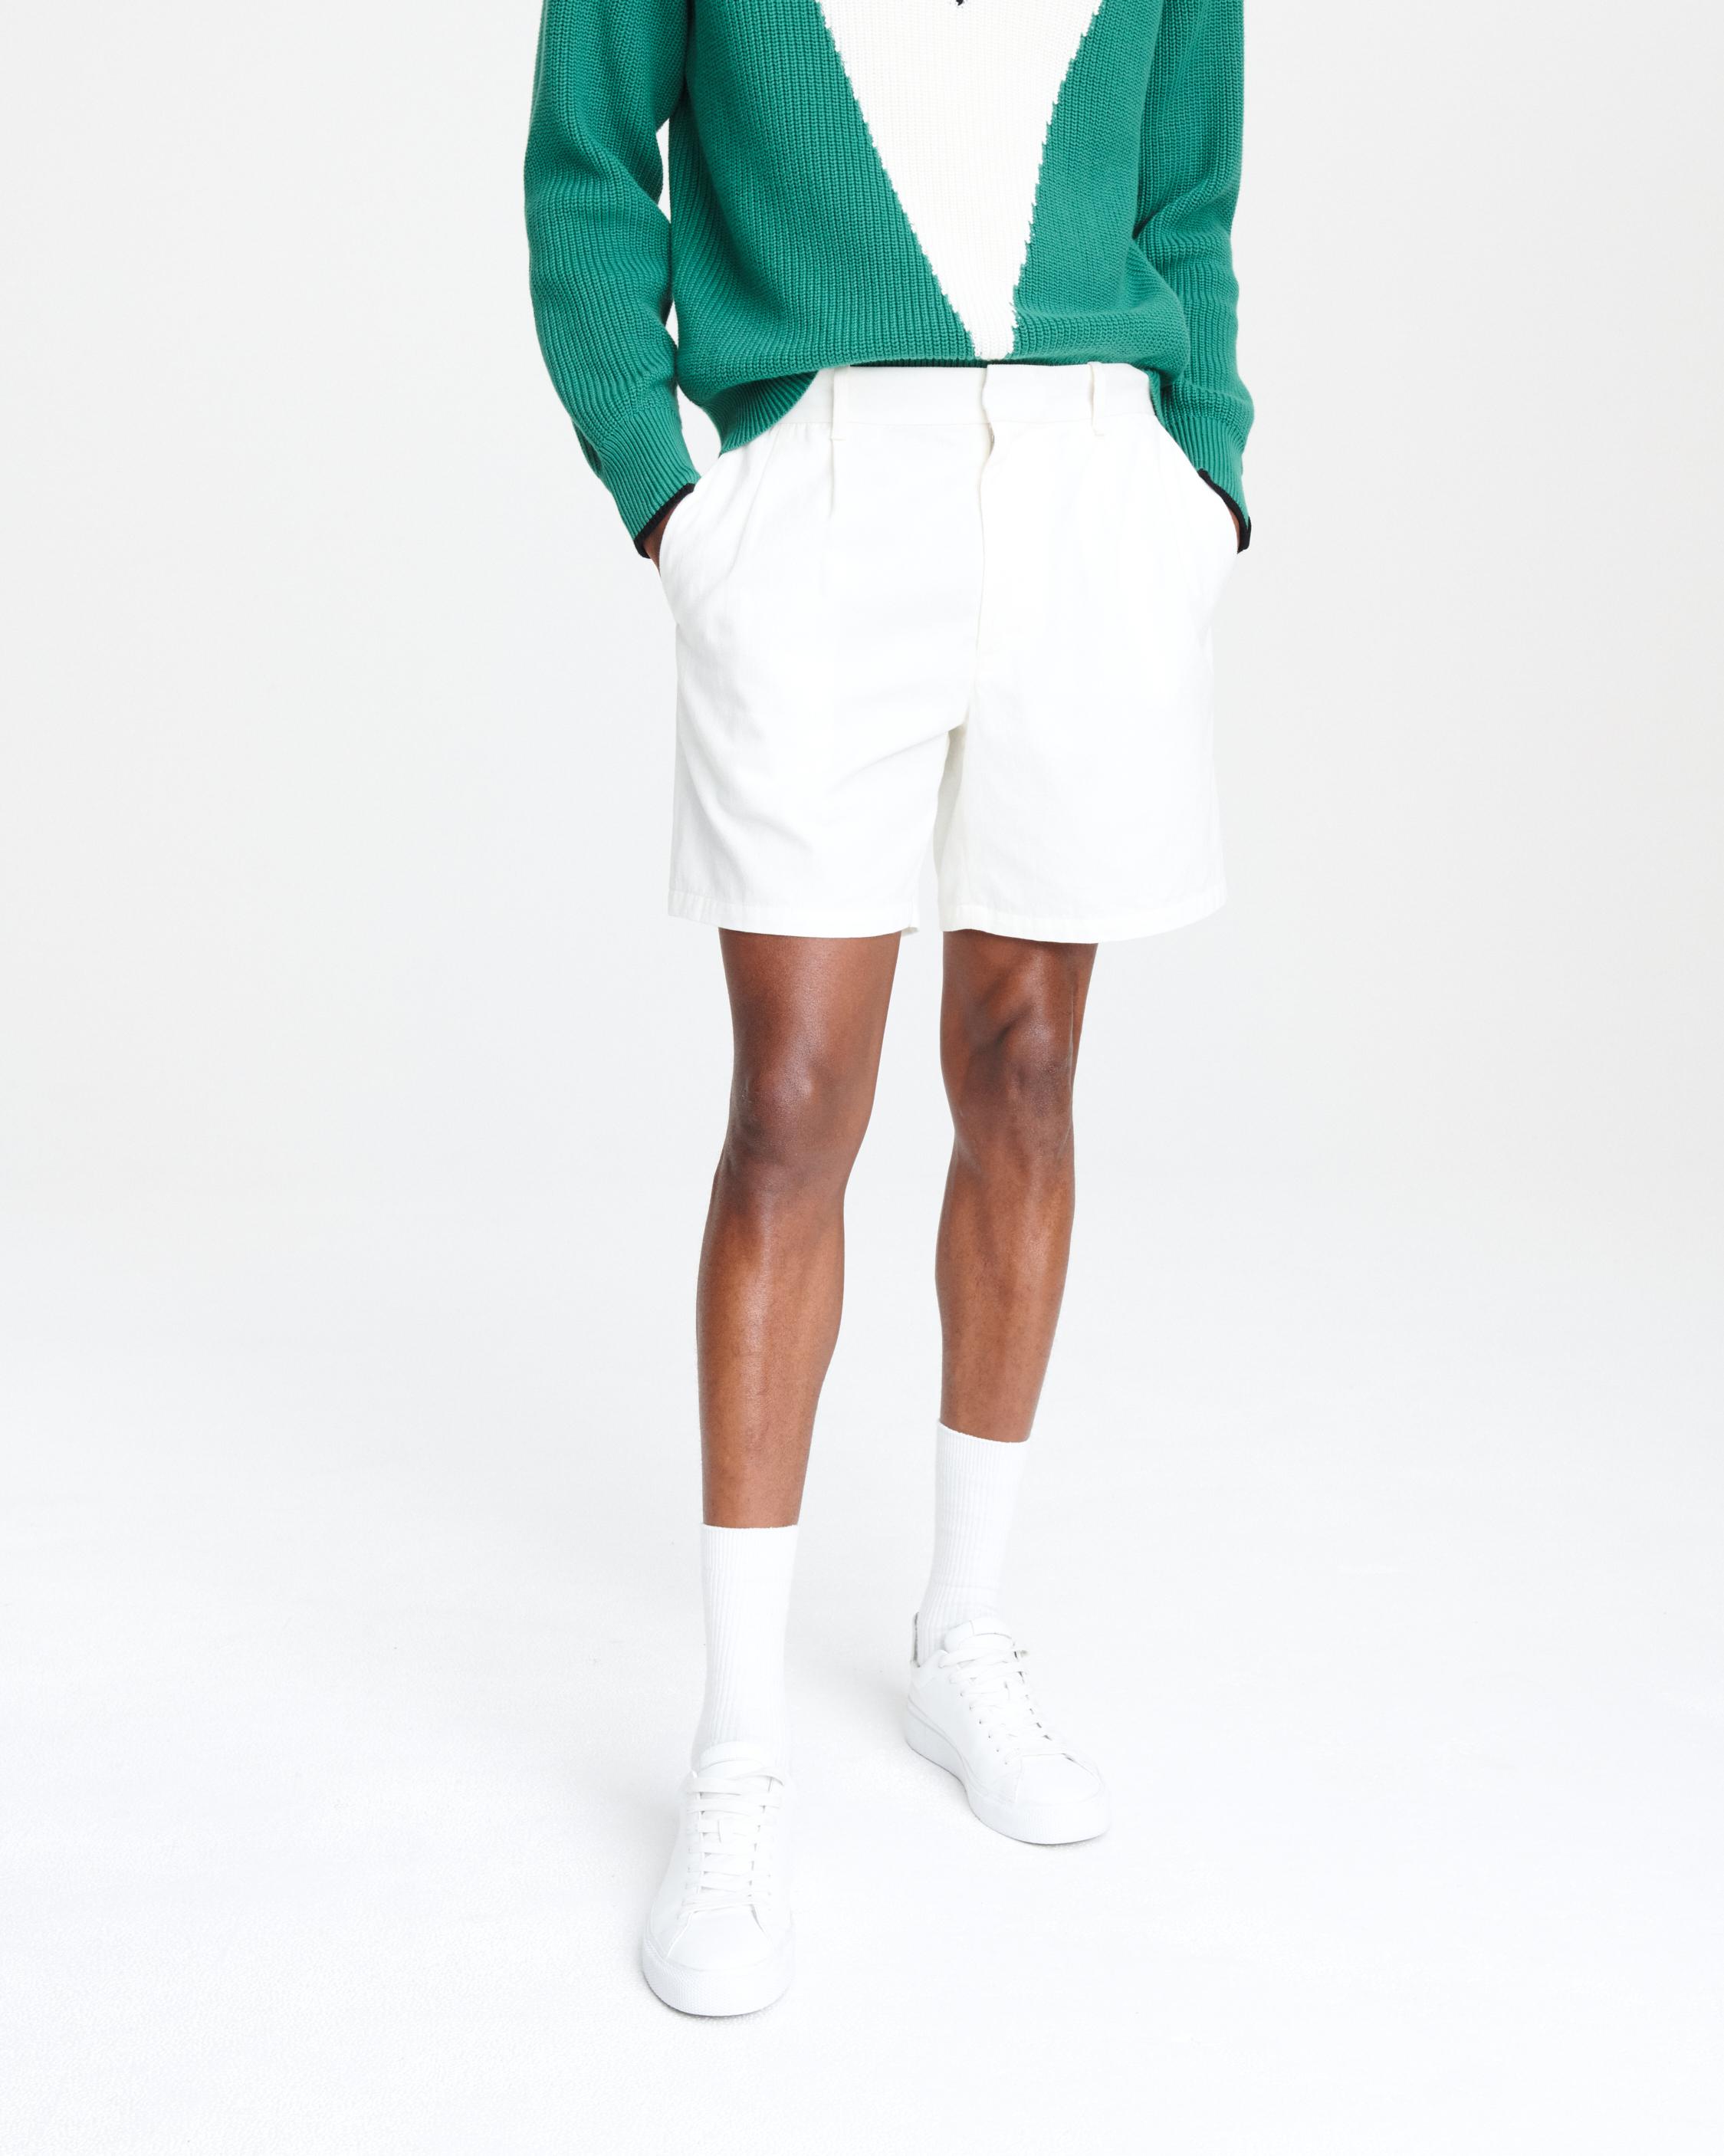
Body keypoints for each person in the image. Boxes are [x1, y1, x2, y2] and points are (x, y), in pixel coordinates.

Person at [525, 0, 1251, 2016]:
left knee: (1025, 1069)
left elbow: (1189, 190)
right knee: (792, 1108)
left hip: (1090, 490)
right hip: (821, 495)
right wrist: (670, 491)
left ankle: (962, 1638)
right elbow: (586, 171)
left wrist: (1199, 478)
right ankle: (736, 1752)